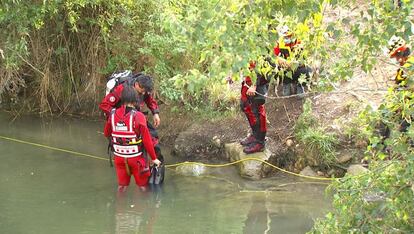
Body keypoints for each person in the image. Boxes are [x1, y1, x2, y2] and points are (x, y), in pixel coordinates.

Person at [104, 85, 161, 191]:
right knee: (142, 186)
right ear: (136, 100)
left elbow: (106, 133)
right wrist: (154, 158)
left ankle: (119, 206)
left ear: (122, 98)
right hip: (136, 159)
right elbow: (147, 141)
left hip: (119, 157)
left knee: (122, 186)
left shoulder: (112, 115)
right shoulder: (139, 116)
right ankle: (142, 206)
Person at [99, 71, 163, 159]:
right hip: (120, 119)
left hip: (135, 117)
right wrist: (118, 115)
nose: (143, 93)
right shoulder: (121, 89)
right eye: (142, 91)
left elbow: (150, 100)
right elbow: (104, 105)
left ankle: (156, 163)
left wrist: (155, 113)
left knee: (153, 137)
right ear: (137, 84)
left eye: (145, 91)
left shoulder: (144, 90)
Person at [240, 60, 271, 154]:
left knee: (257, 109)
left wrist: (254, 84)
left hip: (259, 82)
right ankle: (255, 135)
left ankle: (260, 142)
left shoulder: (261, 46)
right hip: (248, 80)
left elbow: (265, 63)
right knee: (245, 105)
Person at [273, 25, 312, 97]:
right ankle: (286, 83)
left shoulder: (299, 42)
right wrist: (279, 59)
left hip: (298, 67)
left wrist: (294, 63)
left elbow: (305, 59)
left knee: (307, 70)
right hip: (285, 68)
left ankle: (300, 85)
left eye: (288, 36)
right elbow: (273, 56)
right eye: (285, 37)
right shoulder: (280, 43)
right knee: (275, 68)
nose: (286, 38)